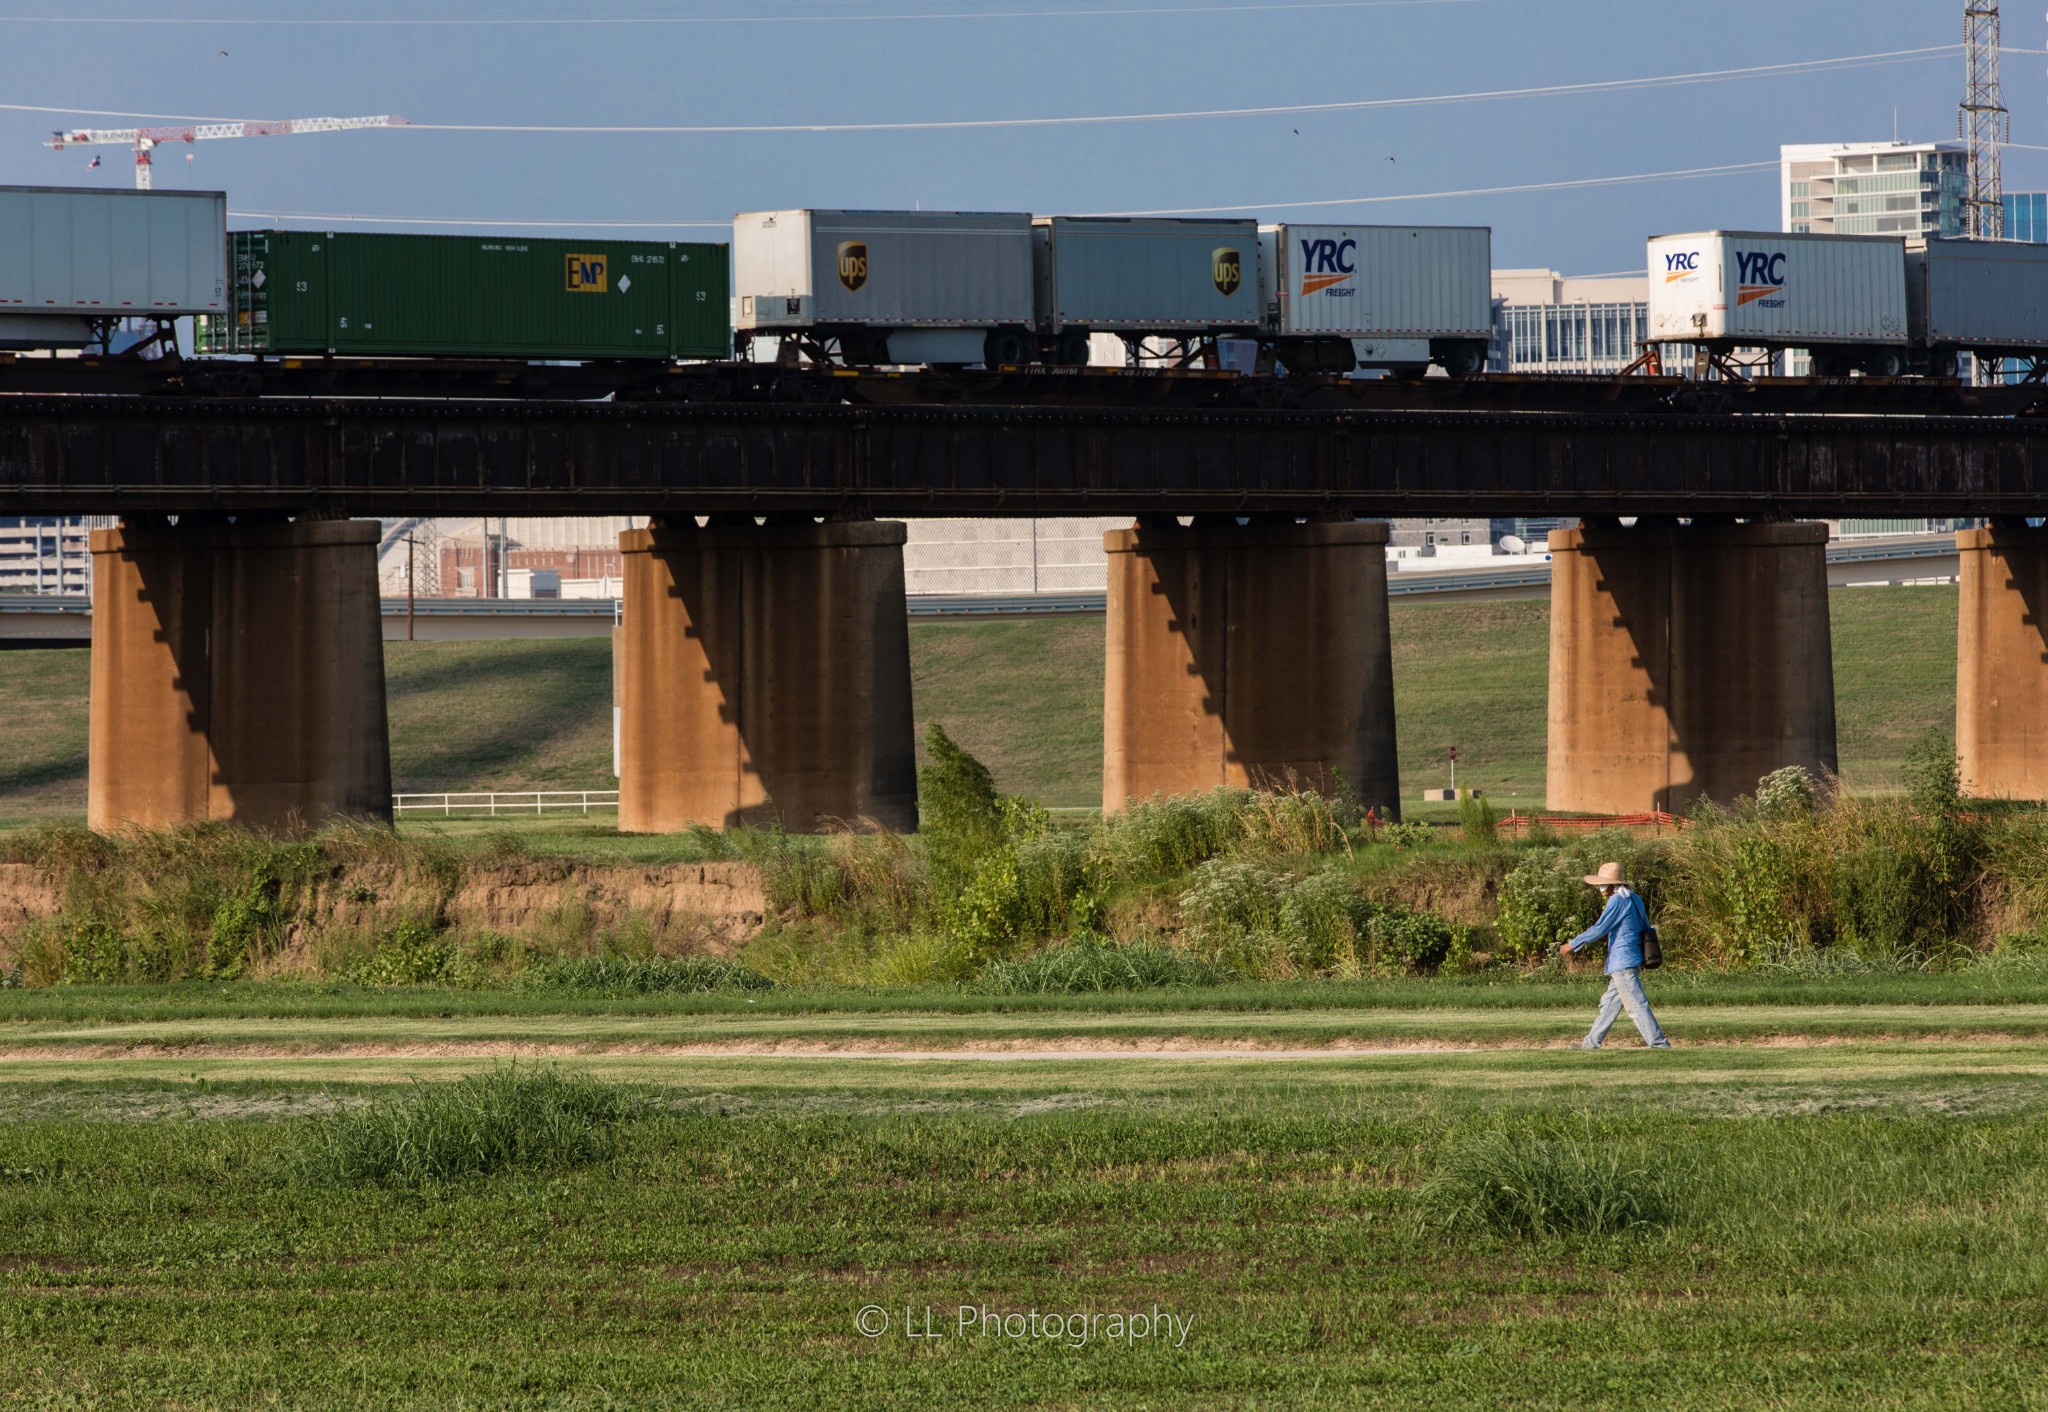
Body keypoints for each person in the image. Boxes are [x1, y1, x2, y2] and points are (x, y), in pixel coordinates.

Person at [1558, 861, 1671, 1050]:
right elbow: (1645, 927)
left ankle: (1659, 1044)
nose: (1600, 888)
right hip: (1630, 959)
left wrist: (1573, 944)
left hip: (1623, 961)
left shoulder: (1617, 900)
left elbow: (1601, 928)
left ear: (1611, 884)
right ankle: (1591, 1043)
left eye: (1602, 884)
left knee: (1636, 1005)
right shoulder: (1634, 898)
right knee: (1608, 1005)